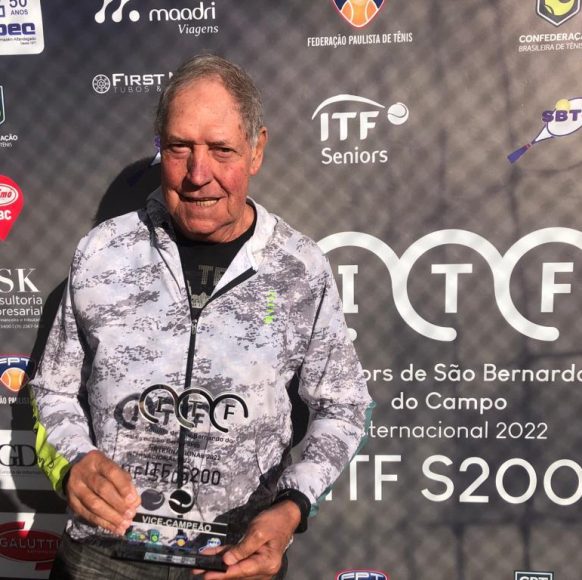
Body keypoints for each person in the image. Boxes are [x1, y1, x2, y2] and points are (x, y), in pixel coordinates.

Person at [30, 54, 373, 580]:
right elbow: (51, 389)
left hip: (233, 558)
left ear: (257, 150)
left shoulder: (299, 268)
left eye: (221, 150)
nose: (198, 174)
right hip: (103, 552)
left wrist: (292, 508)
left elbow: (345, 408)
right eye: (179, 148)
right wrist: (73, 461)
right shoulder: (101, 252)